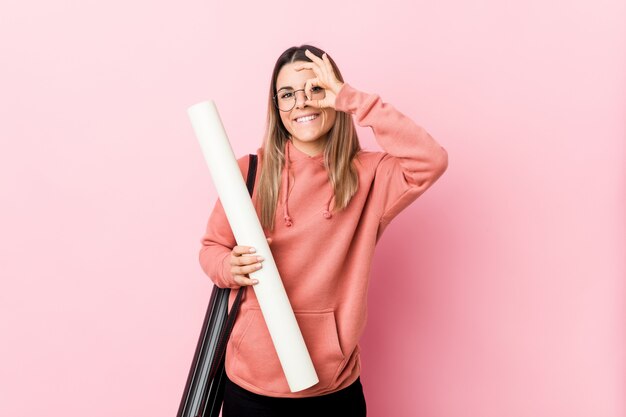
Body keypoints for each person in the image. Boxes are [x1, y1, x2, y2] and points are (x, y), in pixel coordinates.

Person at [199, 44, 448, 417]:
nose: (302, 102)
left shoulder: (369, 177)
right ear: (277, 107)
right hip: (251, 387)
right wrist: (227, 267)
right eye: (288, 95)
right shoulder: (248, 173)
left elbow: (431, 160)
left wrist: (351, 99)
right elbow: (212, 247)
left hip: (332, 390)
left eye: (315, 88)